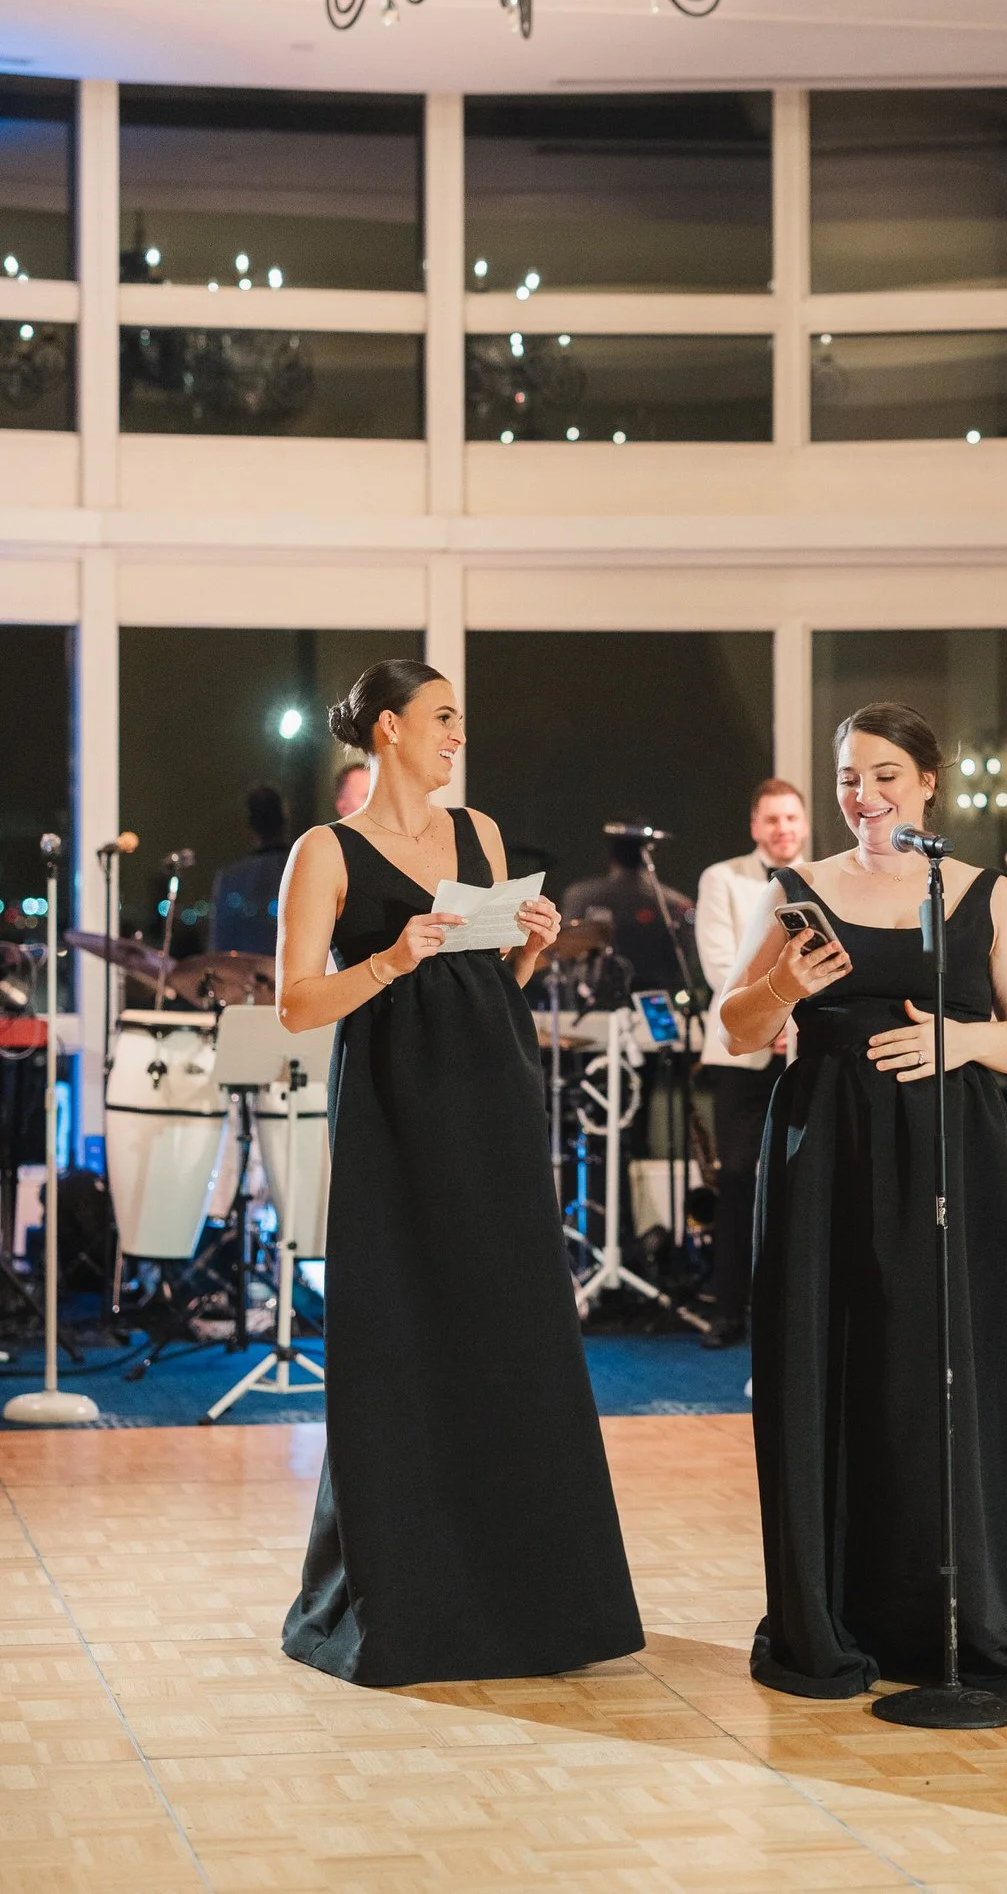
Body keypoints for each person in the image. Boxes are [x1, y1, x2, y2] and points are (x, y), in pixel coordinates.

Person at [719, 701, 1007, 1703]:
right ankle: (833, 1604)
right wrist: (784, 990)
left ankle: (967, 1604)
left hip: (950, 1155)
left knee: (945, 1372)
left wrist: (959, 1040)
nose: (864, 795)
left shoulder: (982, 895)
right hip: (823, 1159)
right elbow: (734, 1028)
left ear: (929, 782)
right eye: (849, 776)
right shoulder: (796, 889)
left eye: (885, 774)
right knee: (831, 1366)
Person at [275, 658, 642, 1688]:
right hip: (394, 1108)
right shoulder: (326, 850)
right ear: (387, 727)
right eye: (442, 718)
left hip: (494, 1091)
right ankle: (410, 1588)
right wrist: (392, 957)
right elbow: (299, 1003)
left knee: (508, 1329)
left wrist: (527, 948)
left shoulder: (477, 832)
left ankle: (531, 1588)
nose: (457, 735)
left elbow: (492, 979)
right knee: (404, 1331)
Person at [693, 778, 808, 1350]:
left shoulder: (826, 876)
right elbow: (721, 968)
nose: (783, 829)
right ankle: (728, 1310)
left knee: (802, 1183)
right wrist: (772, 1017)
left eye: (791, 818)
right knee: (737, 1180)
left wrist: (797, 1024)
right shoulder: (722, 878)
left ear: (804, 824)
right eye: (772, 820)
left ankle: (794, 1314)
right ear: (755, 827)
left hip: (804, 1050)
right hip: (740, 1050)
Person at [563, 829, 696, 993]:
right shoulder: (678, 903)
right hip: (659, 996)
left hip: (597, 993)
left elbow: (564, 954)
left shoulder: (580, 895)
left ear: (609, 854)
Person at [209, 783, 291, 955]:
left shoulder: (230, 878)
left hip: (246, 977)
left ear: (250, 822)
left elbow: (219, 946)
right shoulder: (303, 871)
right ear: (284, 817)